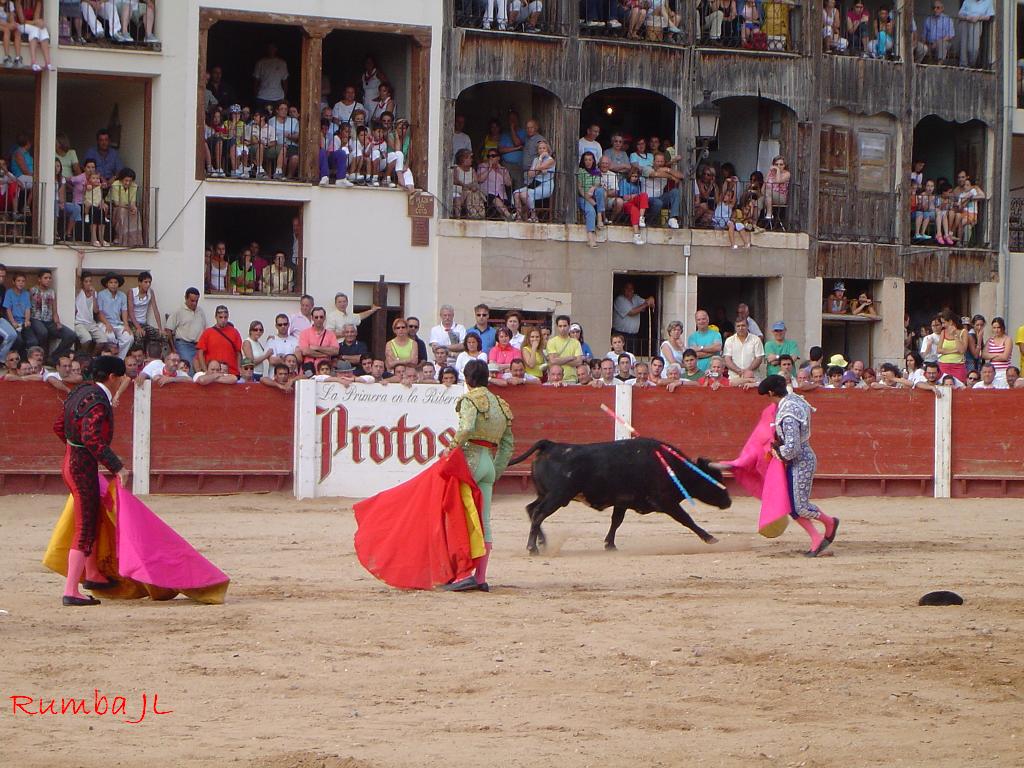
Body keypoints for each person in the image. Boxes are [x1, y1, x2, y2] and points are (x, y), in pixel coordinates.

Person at [52, 355, 130, 606]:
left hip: (71, 461)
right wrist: (117, 466)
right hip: (81, 467)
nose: (121, 383)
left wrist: (74, 449)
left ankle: (93, 574)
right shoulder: (97, 399)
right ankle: (71, 590)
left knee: (92, 516)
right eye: (121, 378)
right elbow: (92, 438)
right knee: (85, 525)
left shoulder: (81, 391)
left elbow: (58, 426)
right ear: (112, 377)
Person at [440, 359, 514, 592]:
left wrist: (450, 449)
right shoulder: (501, 405)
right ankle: (480, 577)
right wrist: (495, 471)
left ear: (468, 380)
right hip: (488, 463)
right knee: (484, 521)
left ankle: (461, 574)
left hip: (469, 462)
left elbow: (467, 428)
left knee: (457, 517)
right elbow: (508, 444)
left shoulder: (470, 400)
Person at [195, 305, 242, 375]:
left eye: (225, 317)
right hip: (213, 373)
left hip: (231, 372)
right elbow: (200, 353)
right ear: (216, 317)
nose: (223, 320)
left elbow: (238, 353)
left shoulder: (234, 332)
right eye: (220, 317)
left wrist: (239, 369)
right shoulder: (208, 332)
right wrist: (205, 371)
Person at [613, 282, 655, 353]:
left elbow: (648, 301)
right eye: (627, 288)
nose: (629, 290)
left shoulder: (636, 298)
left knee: (631, 356)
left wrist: (651, 299)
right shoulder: (619, 299)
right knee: (620, 356)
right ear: (623, 289)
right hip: (621, 334)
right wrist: (645, 305)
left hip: (633, 335)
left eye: (631, 289)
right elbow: (631, 312)